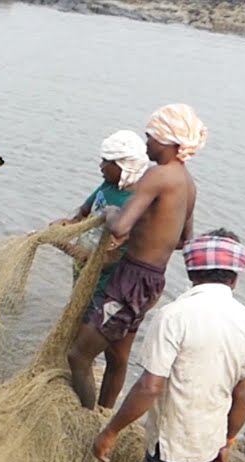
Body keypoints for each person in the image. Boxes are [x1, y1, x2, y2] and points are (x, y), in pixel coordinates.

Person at [92, 231, 245, 462]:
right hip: (202, 436)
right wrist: (227, 441)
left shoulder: (174, 316)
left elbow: (150, 386)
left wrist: (110, 431)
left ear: (191, 273)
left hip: (179, 443)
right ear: (235, 278)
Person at [67, 104, 208, 411]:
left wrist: (109, 212)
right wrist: (152, 232)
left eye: (151, 138)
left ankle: (86, 418)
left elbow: (119, 227)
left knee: (78, 356)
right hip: (152, 281)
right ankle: (104, 413)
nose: (146, 145)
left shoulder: (157, 175)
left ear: (168, 141)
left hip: (130, 280)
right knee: (118, 357)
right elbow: (184, 241)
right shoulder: (188, 183)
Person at [49, 130, 150, 411]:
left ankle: (92, 412)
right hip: (83, 278)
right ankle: (86, 399)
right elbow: (80, 214)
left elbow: (108, 260)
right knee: (85, 350)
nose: (101, 166)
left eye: (107, 161)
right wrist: (61, 227)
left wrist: (65, 247)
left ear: (125, 166)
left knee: (92, 353)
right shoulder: (106, 187)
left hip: (107, 288)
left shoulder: (135, 206)